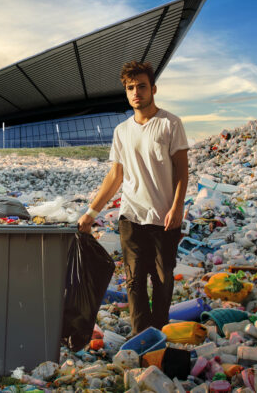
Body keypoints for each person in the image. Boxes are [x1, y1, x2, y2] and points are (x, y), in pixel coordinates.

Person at [77, 61, 189, 334]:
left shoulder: (170, 124)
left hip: (164, 218)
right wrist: (91, 213)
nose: (136, 92)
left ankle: (158, 335)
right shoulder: (121, 131)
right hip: (131, 216)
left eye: (141, 86)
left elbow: (182, 172)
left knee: (163, 282)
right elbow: (115, 176)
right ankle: (141, 339)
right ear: (126, 93)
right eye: (131, 88)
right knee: (134, 282)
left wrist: (177, 208)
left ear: (153, 89)